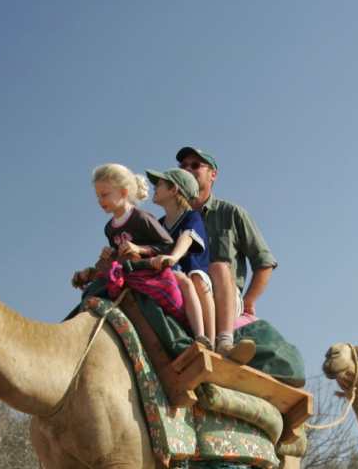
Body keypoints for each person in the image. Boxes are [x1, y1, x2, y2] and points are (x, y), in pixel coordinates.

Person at [177, 145, 275, 361]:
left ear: (213, 174)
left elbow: (264, 262)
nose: (188, 169)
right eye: (183, 166)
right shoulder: (171, 221)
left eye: (195, 165)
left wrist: (249, 300)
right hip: (186, 295)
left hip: (224, 297)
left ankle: (224, 342)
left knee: (219, 266)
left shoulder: (231, 213)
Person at [71, 163, 187, 320]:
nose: (100, 200)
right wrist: (110, 255)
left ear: (123, 192)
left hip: (149, 276)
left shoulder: (141, 218)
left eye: (104, 194)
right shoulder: (109, 228)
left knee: (148, 311)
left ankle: (175, 340)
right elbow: (118, 259)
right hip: (125, 276)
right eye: (98, 196)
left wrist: (140, 249)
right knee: (90, 294)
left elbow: (168, 246)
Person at [145, 167, 214, 345]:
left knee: (194, 279)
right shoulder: (158, 224)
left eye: (159, 184)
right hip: (168, 276)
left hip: (191, 276)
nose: (155, 188)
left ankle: (210, 341)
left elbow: (187, 237)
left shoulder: (192, 217)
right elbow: (148, 247)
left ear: (174, 189)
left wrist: (174, 257)